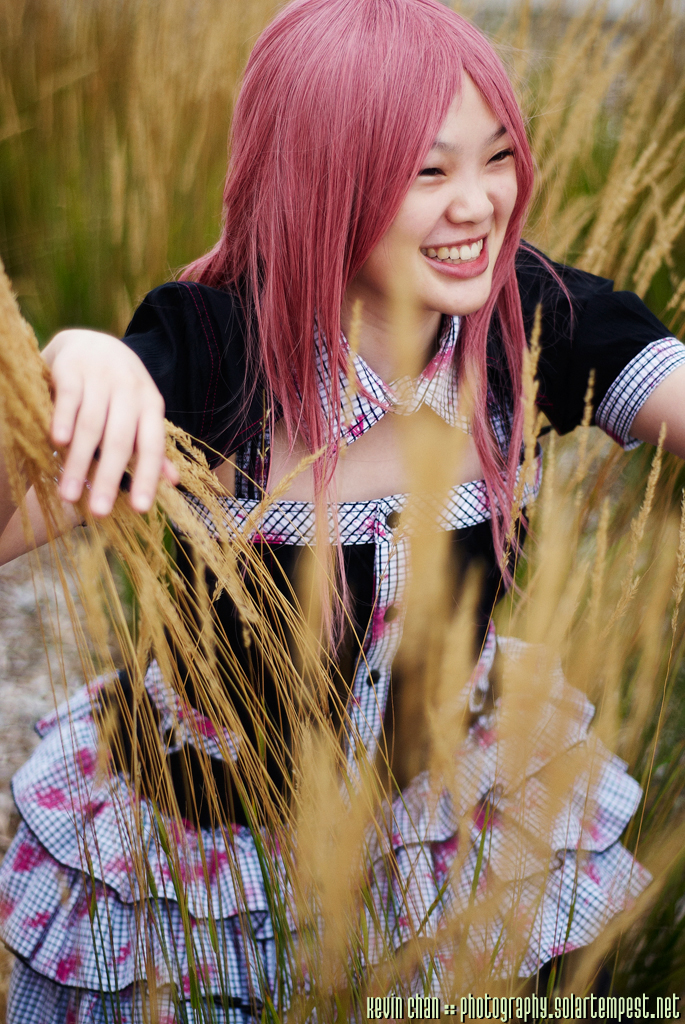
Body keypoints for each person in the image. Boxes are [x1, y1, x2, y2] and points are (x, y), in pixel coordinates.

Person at [1, 0, 685, 1019]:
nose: (479, 205)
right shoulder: (213, 354)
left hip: (446, 825)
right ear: (323, 176)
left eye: (497, 157)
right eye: (427, 172)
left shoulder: (525, 318)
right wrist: (65, 369)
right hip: (208, 864)